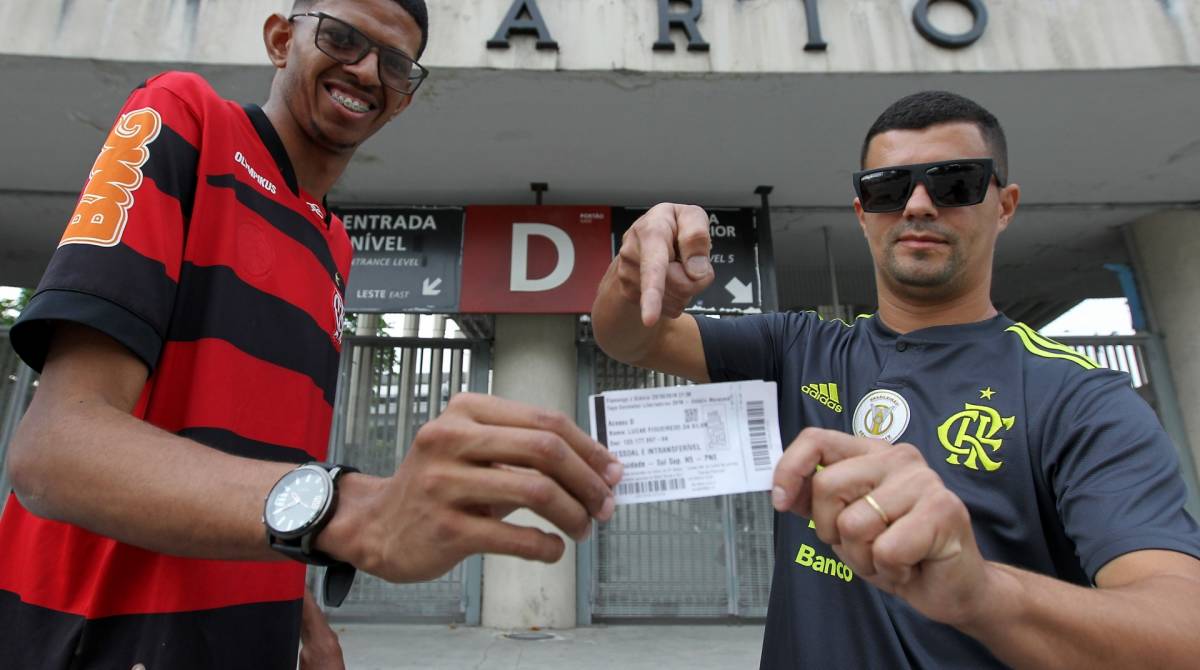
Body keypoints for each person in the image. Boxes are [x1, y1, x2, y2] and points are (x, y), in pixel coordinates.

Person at [0, 1, 621, 668]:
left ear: (403, 100)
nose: (363, 70)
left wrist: (301, 622)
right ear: (279, 38)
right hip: (86, 642)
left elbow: (252, 470)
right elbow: (54, 454)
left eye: (393, 64)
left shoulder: (333, 243)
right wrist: (351, 512)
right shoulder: (185, 118)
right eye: (341, 37)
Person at [591, 91, 1200, 668]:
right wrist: (629, 272)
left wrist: (982, 591)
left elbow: (1180, 631)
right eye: (887, 189)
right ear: (863, 214)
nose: (916, 206)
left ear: (1005, 204)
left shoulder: (1077, 399)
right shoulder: (801, 346)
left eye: (953, 183)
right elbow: (629, 338)